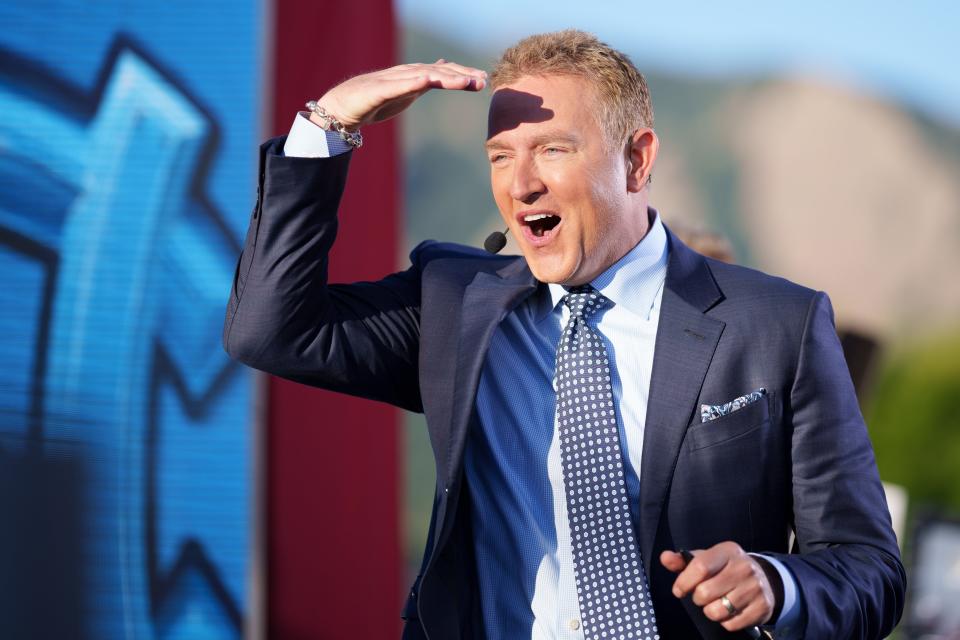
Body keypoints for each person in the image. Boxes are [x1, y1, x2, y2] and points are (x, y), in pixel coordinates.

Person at [224, 30, 904, 640]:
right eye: (499, 156)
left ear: (637, 162)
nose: (520, 183)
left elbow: (869, 570)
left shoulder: (776, 323)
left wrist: (774, 583)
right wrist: (326, 124)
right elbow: (269, 330)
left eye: (552, 150)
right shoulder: (456, 306)